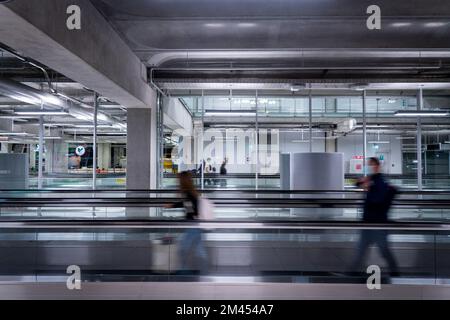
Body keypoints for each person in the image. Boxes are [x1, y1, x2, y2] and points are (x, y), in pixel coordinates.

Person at [349, 157, 399, 277]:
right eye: (368, 165)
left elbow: (377, 201)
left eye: (371, 165)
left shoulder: (380, 181)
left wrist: (368, 188)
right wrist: (364, 183)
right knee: (360, 252)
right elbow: (356, 183)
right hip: (368, 223)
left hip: (377, 224)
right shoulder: (371, 179)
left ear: (377, 166)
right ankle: (350, 273)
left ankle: (396, 273)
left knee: (384, 251)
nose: (369, 167)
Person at [165, 171, 208, 273]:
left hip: (193, 225)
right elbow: (188, 204)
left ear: (183, 181)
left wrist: (172, 206)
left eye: (179, 180)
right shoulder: (192, 192)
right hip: (196, 224)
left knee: (182, 249)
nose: (177, 182)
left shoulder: (188, 193)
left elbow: (188, 206)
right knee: (199, 250)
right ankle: (203, 271)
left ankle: (184, 270)